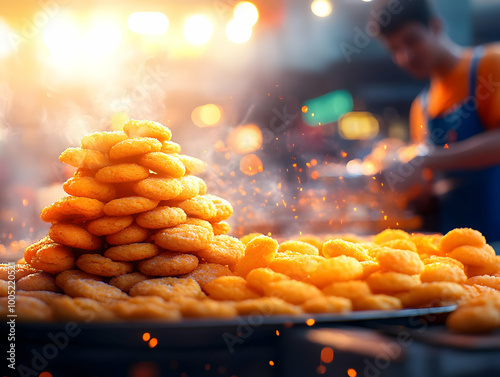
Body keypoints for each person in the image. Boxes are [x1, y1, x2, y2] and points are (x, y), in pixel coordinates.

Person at [371, 0, 500, 242]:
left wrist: (426, 159)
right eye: (395, 49)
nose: (405, 56)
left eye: (412, 40)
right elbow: (430, 185)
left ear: (436, 26)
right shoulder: (421, 107)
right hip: (453, 247)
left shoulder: (490, 64)